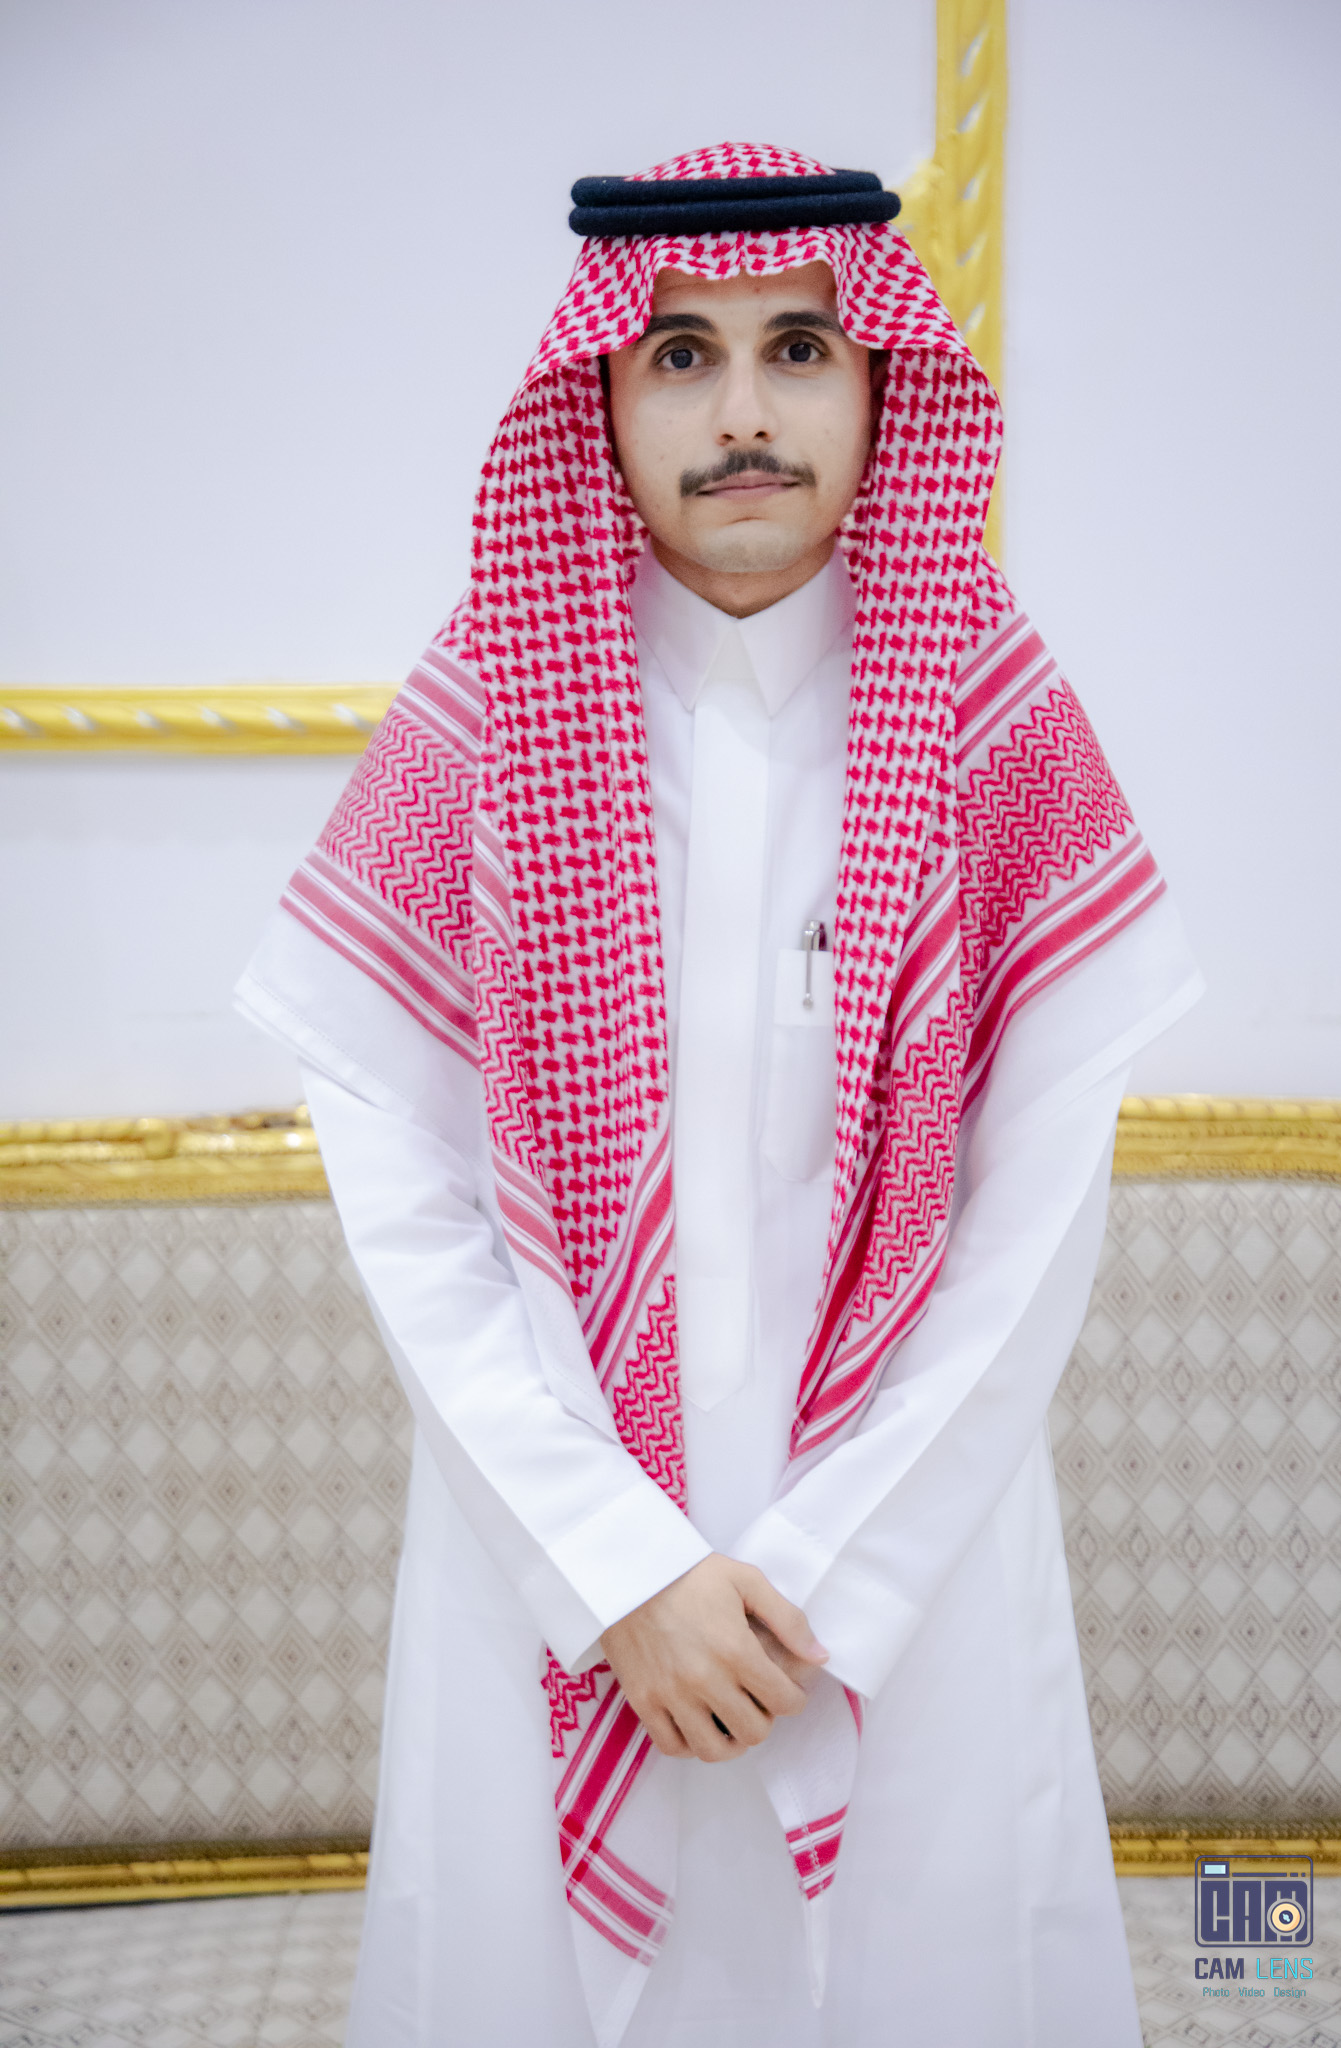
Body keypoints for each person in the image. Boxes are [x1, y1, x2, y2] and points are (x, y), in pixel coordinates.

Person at [236, 143, 1201, 2048]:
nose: (743, 412)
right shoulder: (483, 726)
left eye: (795, 349)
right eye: (680, 353)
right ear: (598, 392)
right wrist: (619, 1577)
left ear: (877, 382)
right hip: (554, 1585)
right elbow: (409, 1217)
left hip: (905, 1591)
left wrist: (820, 1582)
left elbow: (1032, 1230)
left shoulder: (992, 721)